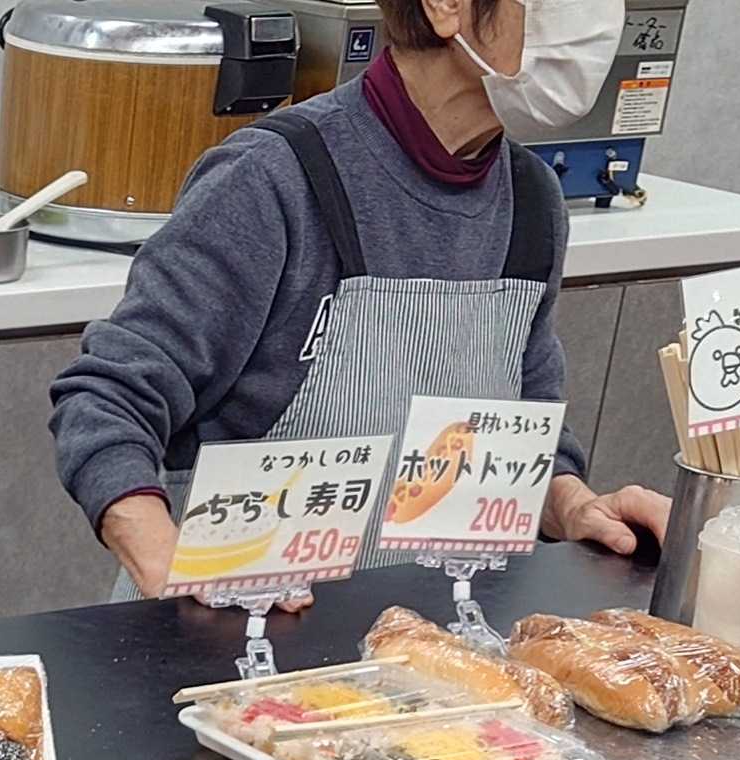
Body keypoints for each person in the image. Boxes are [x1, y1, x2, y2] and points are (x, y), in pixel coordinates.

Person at [50, 0, 671, 599]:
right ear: (446, 6)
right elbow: (108, 397)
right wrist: (163, 559)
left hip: (427, 643)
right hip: (233, 636)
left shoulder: (532, 199)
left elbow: (521, 433)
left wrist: (571, 504)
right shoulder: (272, 178)